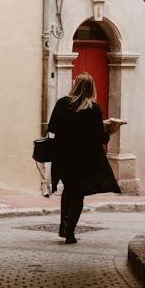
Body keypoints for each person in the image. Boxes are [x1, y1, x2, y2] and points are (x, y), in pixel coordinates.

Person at [46, 73, 121, 244]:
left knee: (68, 190)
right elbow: (100, 138)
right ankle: (70, 230)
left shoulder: (62, 104)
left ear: (75, 85)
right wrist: (108, 130)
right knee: (78, 194)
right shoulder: (94, 110)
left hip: (64, 156)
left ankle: (63, 226)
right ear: (91, 89)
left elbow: (52, 127)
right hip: (85, 159)